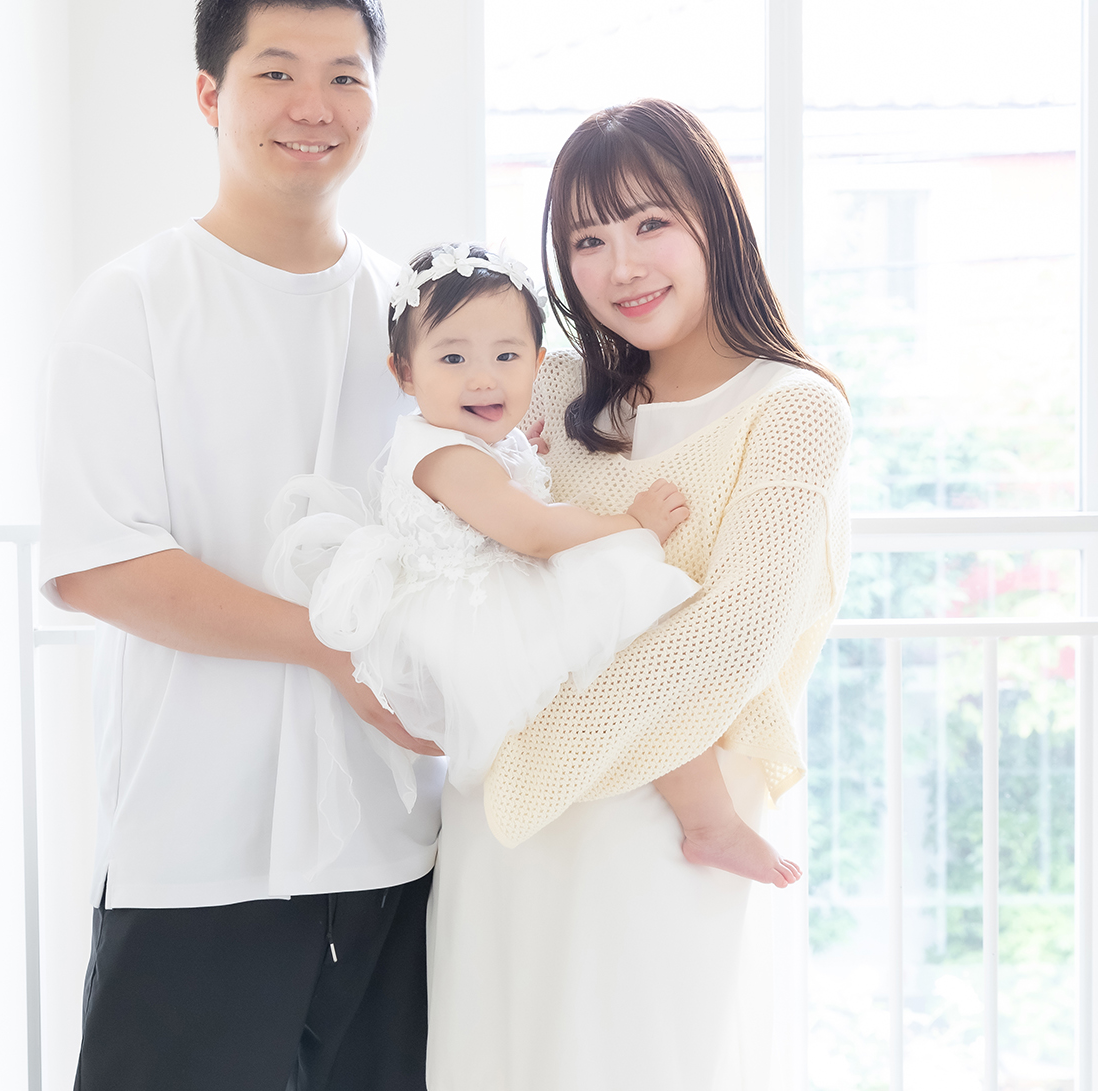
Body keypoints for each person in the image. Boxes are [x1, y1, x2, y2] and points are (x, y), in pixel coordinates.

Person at [39, 0, 444, 1091]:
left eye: (344, 76)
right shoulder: (134, 302)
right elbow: (100, 564)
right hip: (195, 853)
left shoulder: (414, 320)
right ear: (209, 94)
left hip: (389, 847)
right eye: (276, 73)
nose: (313, 106)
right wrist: (330, 645)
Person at [423, 99, 853, 1091]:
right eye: (587, 240)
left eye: (650, 222)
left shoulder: (792, 408)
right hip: (503, 838)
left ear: (715, 219)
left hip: (654, 837)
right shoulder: (550, 390)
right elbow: (452, 540)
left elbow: (736, 632)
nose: (621, 265)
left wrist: (536, 747)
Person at [269, 241, 802, 888]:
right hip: (474, 617)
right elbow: (534, 533)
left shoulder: (465, 443)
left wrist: (516, 452)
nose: (483, 378)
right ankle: (711, 822)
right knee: (635, 617)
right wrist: (632, 525)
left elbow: (500, 490)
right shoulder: (449, 458)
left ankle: (699, 811)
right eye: (453, 358)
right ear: (404, 372)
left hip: (482, 596)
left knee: (628, 648)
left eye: (507, 356)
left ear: (538, 362)